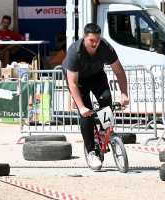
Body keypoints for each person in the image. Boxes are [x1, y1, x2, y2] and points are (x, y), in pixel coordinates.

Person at [61, 23, 129, 169]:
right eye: (91, 40)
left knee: (106, 98)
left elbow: (119, 72)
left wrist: (124, 94)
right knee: (86, 113)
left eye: (97, 39)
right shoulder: (75, 51)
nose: (95, 43)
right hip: (77, 79)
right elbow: (72, 82)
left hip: (96, 75)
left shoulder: (105, 47)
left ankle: (105, 130)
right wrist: (81, 107)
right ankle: (91, 152)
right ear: (84, 37)